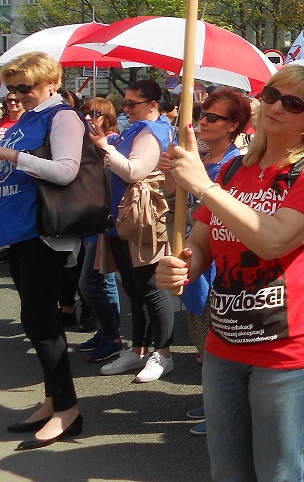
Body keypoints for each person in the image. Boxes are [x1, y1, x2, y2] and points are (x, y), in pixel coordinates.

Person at [157, 64, 304, 482]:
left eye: (293, 103)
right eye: (272, 95)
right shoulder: (233, 170)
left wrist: (204, 187)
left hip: (290, 350)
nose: (276, 107)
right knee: (228, 470)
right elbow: (202, 244)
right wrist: (182, 264)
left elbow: (273, 240)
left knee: (280, 472)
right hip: (226, 341)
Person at [0, 53, 84, 449]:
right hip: (20, 230)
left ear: (51, 83)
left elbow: (66, 171)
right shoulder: (27, 119)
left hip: (44, 232)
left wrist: (10, 155)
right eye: (12, 88)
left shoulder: (62, 116)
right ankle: (53, 400)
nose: (17, 94)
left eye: (25, 87)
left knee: (42, 322)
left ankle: (67, 410)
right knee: (36, 323)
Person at [172, 87, 251, 437]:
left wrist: (195, 190)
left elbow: (228, 217)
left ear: (233, 125)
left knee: (217, 342)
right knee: (200, 336)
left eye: (213, 117)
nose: (203, 122)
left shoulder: (235, 166)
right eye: (203, 114)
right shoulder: (200, 159)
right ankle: (212, 401)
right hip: (196, 254)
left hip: (220, 264)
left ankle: (225, 410)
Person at [93, 79, 177, 383]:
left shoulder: (153, 131)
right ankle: (139, 349)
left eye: (131, 104)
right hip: (124, 216)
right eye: (124, 103)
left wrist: (105, 148)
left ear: (153, 105)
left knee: (151, 288)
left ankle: (163, 353)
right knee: (133, 288)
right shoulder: (140, 128)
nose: (126, 108)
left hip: (142, 218)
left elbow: (134, 171)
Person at [75, 97, 125, 364]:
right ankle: (108, 332)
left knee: (93, 282)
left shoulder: (113, 142)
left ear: (108, 117)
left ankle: (113, 336)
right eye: (84, 113)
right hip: (89, 218)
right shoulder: (84, 142)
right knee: (99, 281)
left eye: (95, 114)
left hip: (106, 221)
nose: (88, 118)